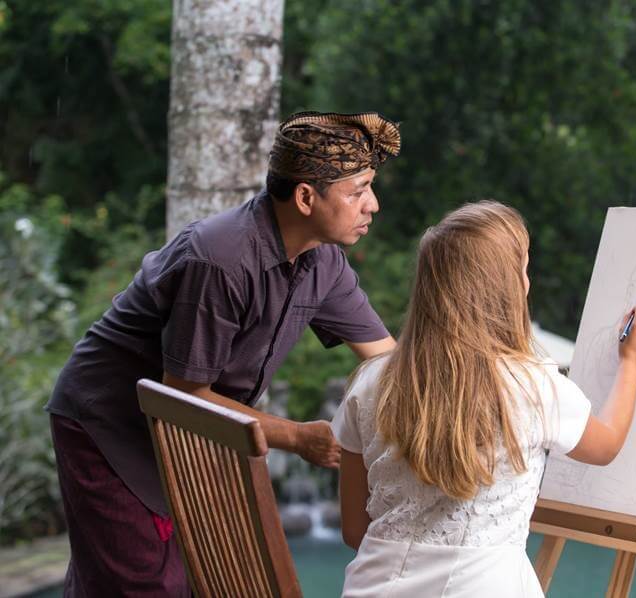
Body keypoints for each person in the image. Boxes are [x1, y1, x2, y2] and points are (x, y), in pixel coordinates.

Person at [45, 111, 401, 597]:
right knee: (142, 586)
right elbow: (185, 394)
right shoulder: (220, 258)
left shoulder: (324, 263)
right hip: (109, 421)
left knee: (185, 582)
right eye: (357, 191)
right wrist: (298, 437)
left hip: (190, 428)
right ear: (304, 197)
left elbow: (388, 364)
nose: (372, 205)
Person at [331, 201, 636, 597]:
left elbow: (353, 529)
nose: (527, 280)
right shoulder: (532, 385)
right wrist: (633, 361)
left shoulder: (370, 382)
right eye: (523, 268)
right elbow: (605, 446)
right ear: (507, 285)